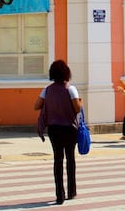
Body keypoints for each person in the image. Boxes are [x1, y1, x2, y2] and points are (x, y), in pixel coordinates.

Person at [34, 59, 81, 205]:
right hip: (69, 128)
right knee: (70, 159)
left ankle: (59, 194)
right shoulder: (71, 89)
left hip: (54, 129)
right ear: (67, 73)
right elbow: (77, 108)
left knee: (57, 160)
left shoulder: (47, 90)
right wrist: (81, 101)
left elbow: (36, 106)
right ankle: (71, 191)